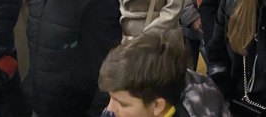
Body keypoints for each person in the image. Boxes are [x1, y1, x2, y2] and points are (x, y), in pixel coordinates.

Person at [99, 30, 231, 117]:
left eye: (123, 104)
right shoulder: (162, 81)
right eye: (111, 97)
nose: (110, 109)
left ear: (157, 105)